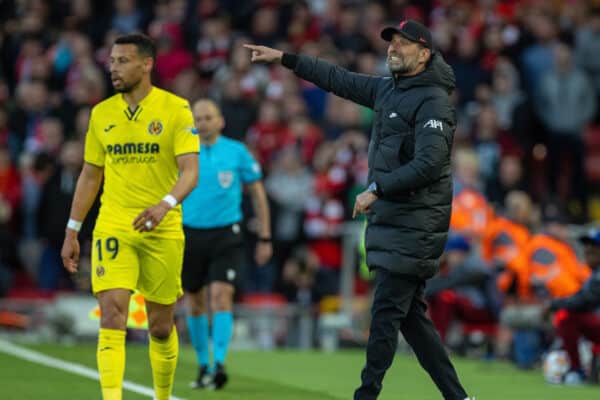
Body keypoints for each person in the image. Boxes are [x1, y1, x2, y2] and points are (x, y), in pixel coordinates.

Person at [245, 19, 474, 400]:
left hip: (415, 224)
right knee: (411, 321)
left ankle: (366, 395)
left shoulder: (433, 99)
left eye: (403, 43)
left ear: (424, 54)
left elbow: (431, 163)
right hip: (394, 223)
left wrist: (377, 188)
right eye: (391, 43)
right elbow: (337, 78)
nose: (393, 48)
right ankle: (458, 397)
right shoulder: (387, 90)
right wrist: (286, 59)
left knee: (384, 316)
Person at [60, 33, 199, 400]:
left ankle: (162, 395)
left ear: (146, 64)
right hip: (114, 224)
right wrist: (73, 230)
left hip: (163, 226)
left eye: (122, 61)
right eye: (111, 61)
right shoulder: (101, 114)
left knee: (159, 326)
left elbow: (190, 172)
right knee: (112, 314)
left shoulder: (177, 110)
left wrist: (165, 204)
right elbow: (91, 175)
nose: (113, 68)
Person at [182, 99, 272, 390]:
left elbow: (258, 193)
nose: (203, 122)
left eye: (208, 117)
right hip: (189, 234)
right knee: (194, 301)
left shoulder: (236, 152)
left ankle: (219, 363)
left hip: (226, 234)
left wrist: (265, 237)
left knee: (221, 295)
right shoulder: (183, 151)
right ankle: (202, 364)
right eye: (198, 118)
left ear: (220, 121)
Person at [542, 229, 600, 384]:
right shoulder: (593, 275)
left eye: (592, 252)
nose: (587, 255)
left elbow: (584, 301)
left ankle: (576, 369)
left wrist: (553, 304)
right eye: (586, 251)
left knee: (566, 315)